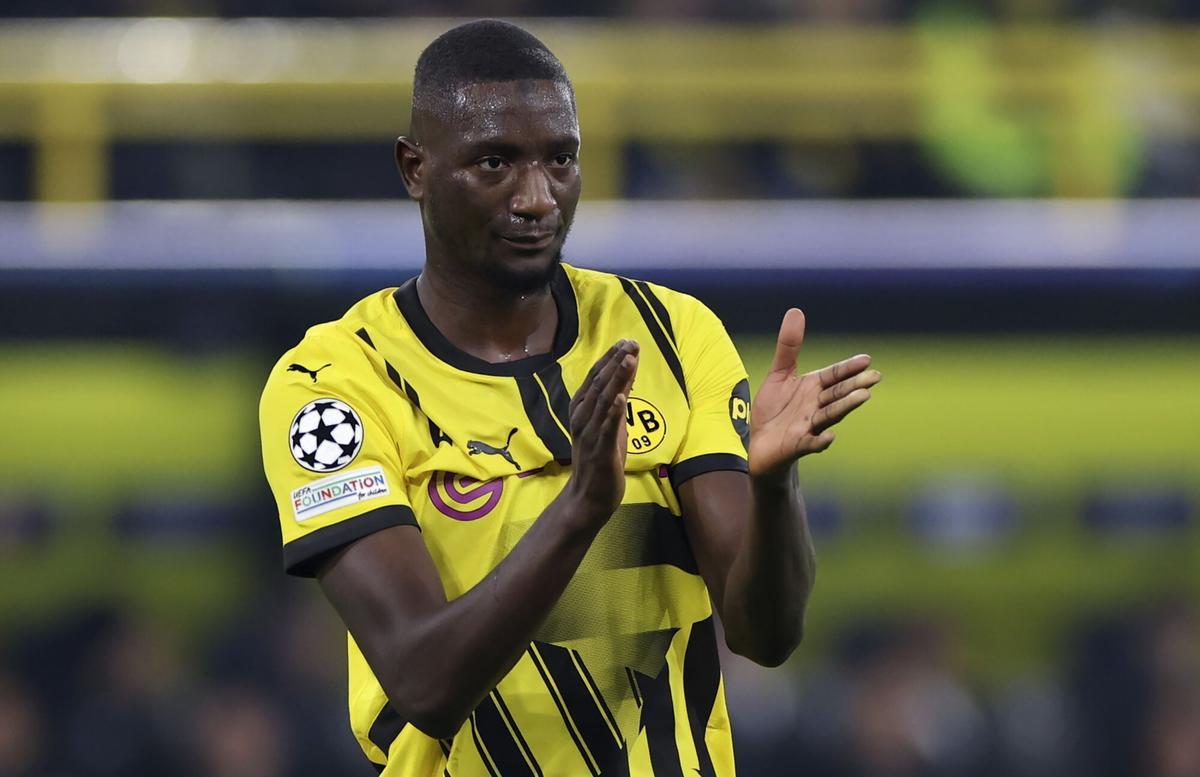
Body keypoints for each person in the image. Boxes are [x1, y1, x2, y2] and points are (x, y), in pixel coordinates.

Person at [258, 19, 880, 777]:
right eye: (495, 162)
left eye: (561, 159)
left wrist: (775, 488)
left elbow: (766, 635)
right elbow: (423, 678)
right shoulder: (334, 386)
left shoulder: (674, 337)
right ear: (414, 167)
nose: (535, 197)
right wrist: (581, 507)